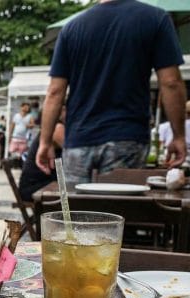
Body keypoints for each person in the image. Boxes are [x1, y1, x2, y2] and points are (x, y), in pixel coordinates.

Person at [37, 0, 187, 183]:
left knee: (73, 201)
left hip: (78, 140)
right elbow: (171, 82)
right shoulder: (155, 19)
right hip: (127, 138)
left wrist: (45, 142)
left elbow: (55, 92)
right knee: (117, 201)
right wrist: (179, 136)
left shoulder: (71, 28)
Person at [19, 106, 66, 202]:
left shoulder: (50, 130)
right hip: (35, 189)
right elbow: (74, 156)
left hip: (43, 185)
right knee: (72, 190)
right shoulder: (57, 128)